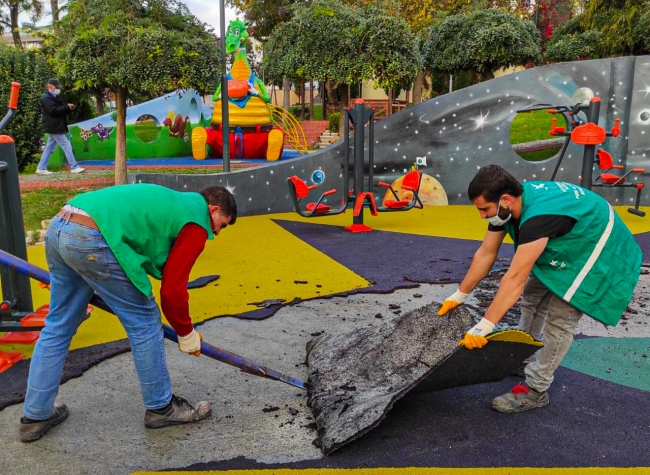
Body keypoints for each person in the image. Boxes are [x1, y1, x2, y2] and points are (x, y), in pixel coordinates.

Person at [19, 183, 237, 442]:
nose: (216, 233)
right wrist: (186, 332)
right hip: (91, 236)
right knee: (145, 322)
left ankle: (35, 415)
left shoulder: (172, 200)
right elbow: (172, 290)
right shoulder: (197, 220)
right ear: (213, 210)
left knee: (58, 324)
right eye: (221, 225)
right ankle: (161, 409)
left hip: (61, 225)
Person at [438, 165, 641, 413]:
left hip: (599, 247)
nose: (482, 216)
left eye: (484, 209)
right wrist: (459, 296)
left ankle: (536, 389)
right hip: (572, 236)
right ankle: (524, 356)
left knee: (560, 316)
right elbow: (486, 254)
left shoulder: (538, 217)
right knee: (534, 294)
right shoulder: (506, 207)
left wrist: (485, 326)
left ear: (504, 200)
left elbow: (515, 277)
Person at [36, 78, 85, 175]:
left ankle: (41, 167)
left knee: (50, 148)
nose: (58, 89)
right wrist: (66, 107)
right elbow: (53, 111)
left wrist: (68, 108)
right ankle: (74, 167)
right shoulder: (46, 98)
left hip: (56, 126)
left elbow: (60, 109)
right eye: (56, 87)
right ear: (50, 86)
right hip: (54, 127)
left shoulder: (54, 97)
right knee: (66, 145)